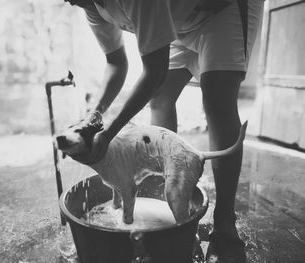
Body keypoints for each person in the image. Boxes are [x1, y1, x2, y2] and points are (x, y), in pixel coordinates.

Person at [65, 0, 263, 262]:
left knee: (217, 98)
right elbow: (116, 63)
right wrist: (95, 114)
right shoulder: (91, 7)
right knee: (160, 98)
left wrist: (110, 132)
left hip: (221, 8)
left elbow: (154, 70)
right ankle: (169, 198)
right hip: (179, 20)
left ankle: (225, 224)